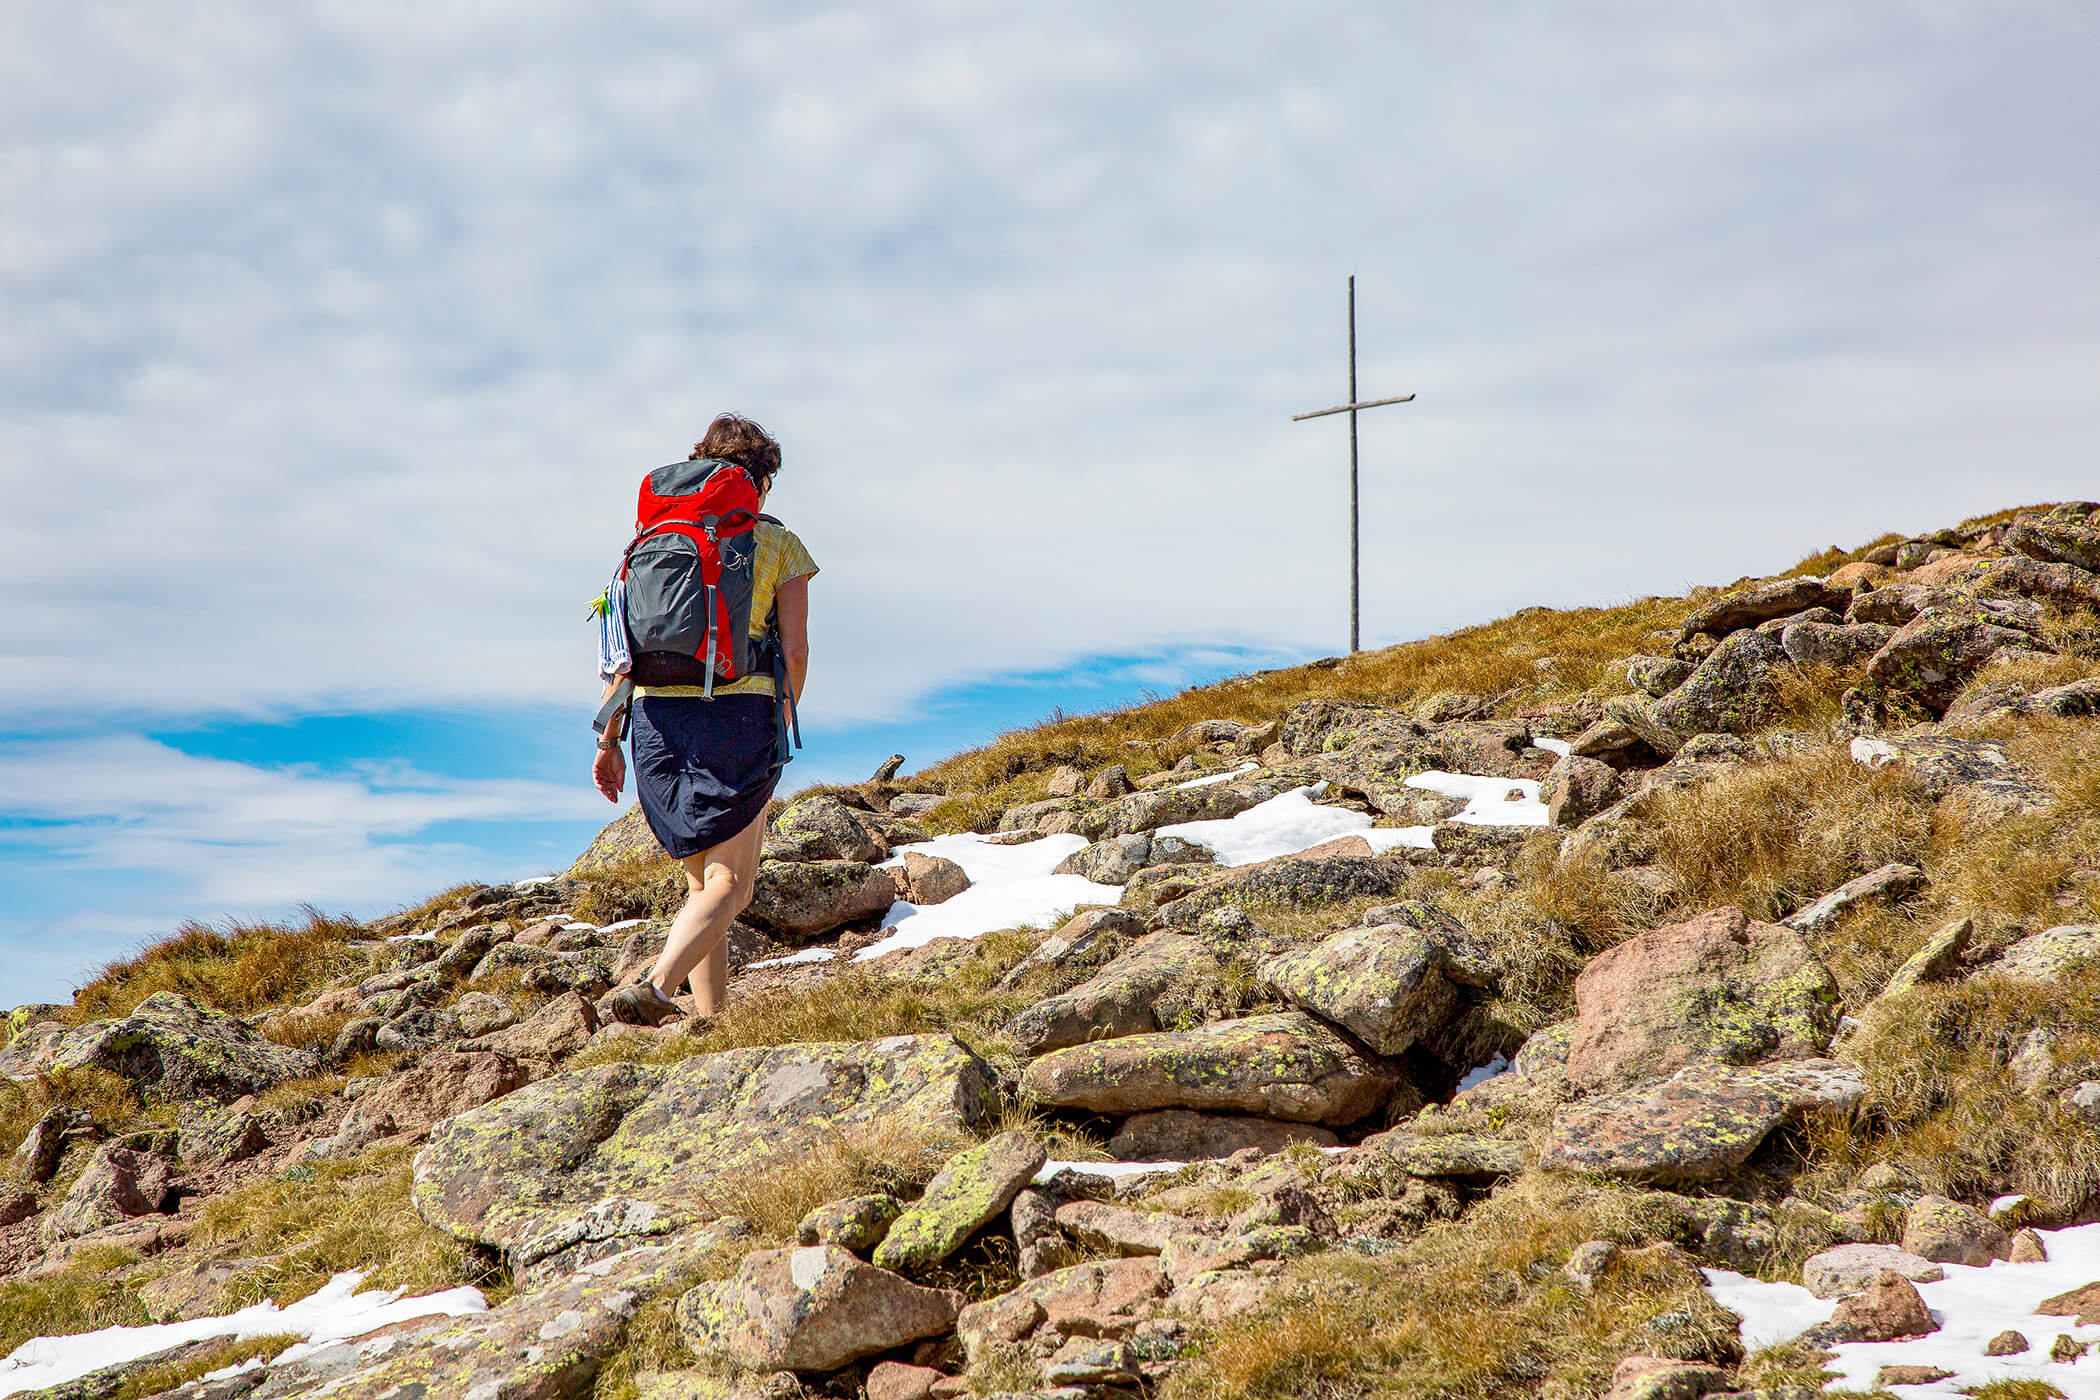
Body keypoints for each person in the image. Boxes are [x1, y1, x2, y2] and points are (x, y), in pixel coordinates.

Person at [592, 414, 815, 1026]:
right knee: (732, 885)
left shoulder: (650, 539)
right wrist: (780, 714)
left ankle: (710, 1024)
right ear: (761, 480)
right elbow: (794, 652)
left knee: (705, 885)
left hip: (657, 719)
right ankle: (658, 987)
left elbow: (621, 650)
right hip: (738, 715)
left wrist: (609, 739)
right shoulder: (777, 542)